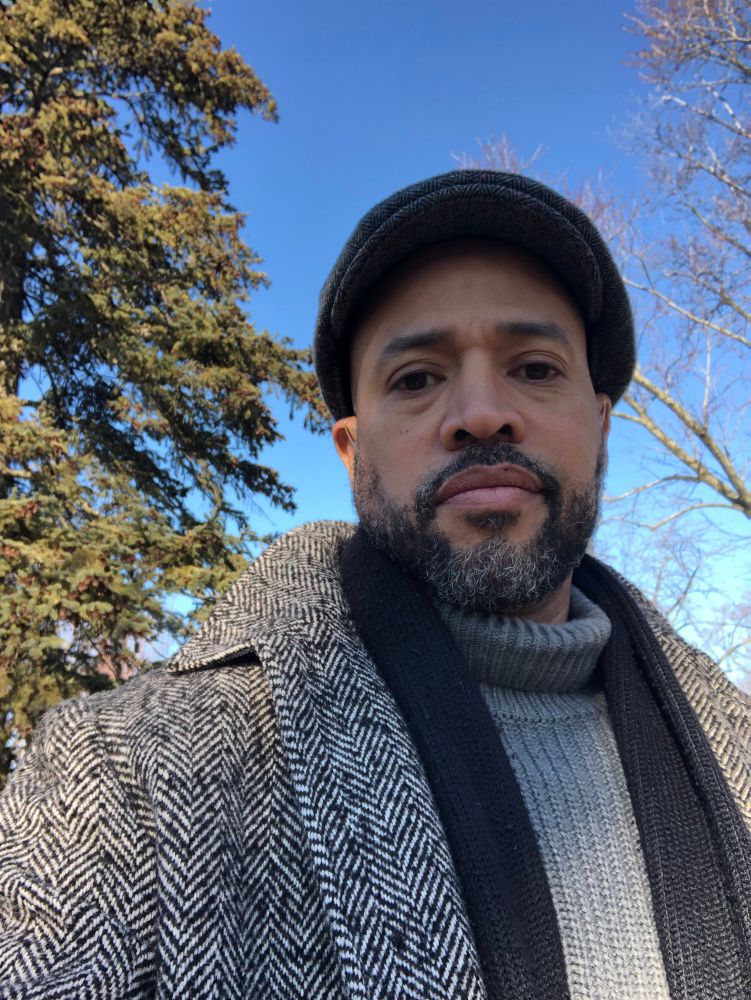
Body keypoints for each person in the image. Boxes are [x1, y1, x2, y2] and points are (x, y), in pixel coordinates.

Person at [1, 170, 749, 1000]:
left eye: (535, 368)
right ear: (351, 452)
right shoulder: (129, 775)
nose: (480, 412)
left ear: (601, 426)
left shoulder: (736, 741)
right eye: (416, 378)